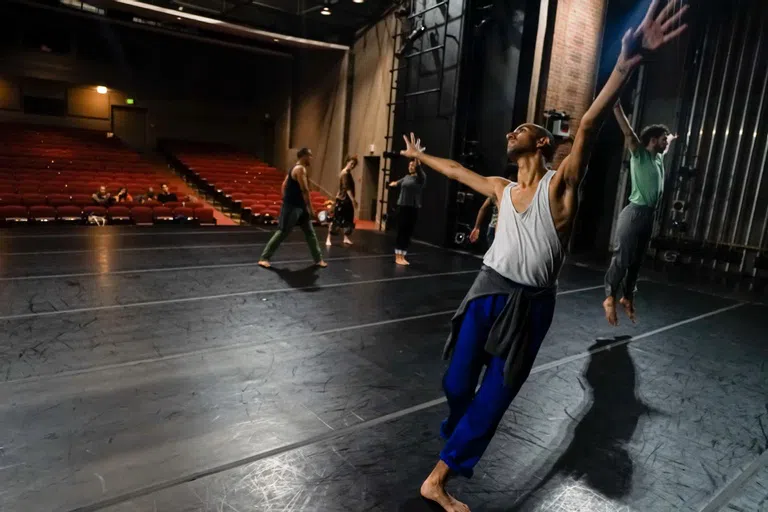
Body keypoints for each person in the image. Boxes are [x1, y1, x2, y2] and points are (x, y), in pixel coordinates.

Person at [400, 2, 687, 510]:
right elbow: (454, 171)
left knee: (494, 398)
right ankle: (460, 434)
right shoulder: (500, 186)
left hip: (530, 304)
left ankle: (439, 477)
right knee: (456, 381)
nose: (513, 131)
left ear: (543, 142)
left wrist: (623, 62)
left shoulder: (561, 188)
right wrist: (420, 156)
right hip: (487, 287)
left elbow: (590, 126)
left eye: (524, 128)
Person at [603, 102, 676, 326]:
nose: (665, 143)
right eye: (663, 139)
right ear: (652, 140)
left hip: (648, 217)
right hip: (634, 214)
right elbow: (628, 132)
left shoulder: (658, 158)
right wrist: (616, 108)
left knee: (636, 261)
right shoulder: (640, 155)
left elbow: (667, 146)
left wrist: (671, 138)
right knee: (622, 258)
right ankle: (610, 296)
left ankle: (627, 296)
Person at [258, 148, 327, 268]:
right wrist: (310, 209)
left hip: (299, 207)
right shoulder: (300, 169)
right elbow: (305, 190)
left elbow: (284, 185)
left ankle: (318, 259)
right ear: (303, 156)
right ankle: (264, 258)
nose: (311, 158)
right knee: (283, 232)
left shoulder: (293, 169)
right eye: (310, 156)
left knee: (310, 233)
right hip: (294, 208)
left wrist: (285, 199)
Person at [388, 158, 426, 265]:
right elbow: (397, 183)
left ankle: (403, 256)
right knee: (401, 231)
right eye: (409, 165)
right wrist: (393, 184)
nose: (410, 167)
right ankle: (398, 256)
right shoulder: (406, 177)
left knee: (408, 232)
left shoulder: (420, 178)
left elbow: (419, 170)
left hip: (413, 208)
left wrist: (417, 157)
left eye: (412, 165)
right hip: (403, 207)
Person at [326, 156, 359, 247]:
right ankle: (328, 238)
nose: (352, 166)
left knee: (347, 219)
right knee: (336, 219)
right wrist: (353, 200)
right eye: (351, 163)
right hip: (342, 199)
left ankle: (346, 238)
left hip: (346, 200)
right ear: (347, 162)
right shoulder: (344, 173)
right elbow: (346, 188)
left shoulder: (348, 173)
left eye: (354, 165)